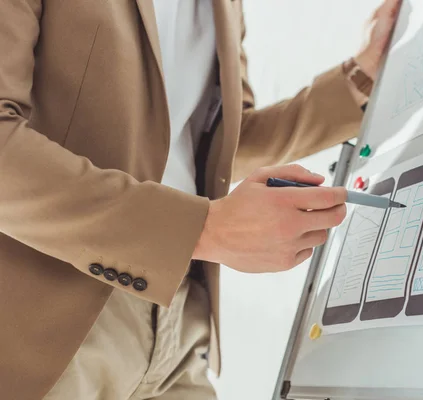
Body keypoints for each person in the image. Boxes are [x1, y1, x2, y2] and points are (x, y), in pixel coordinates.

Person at [0, 0, 400, 398]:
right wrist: (203, 231)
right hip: (48, 324)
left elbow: (217, 142)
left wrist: (359, 77)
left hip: (180, 320)